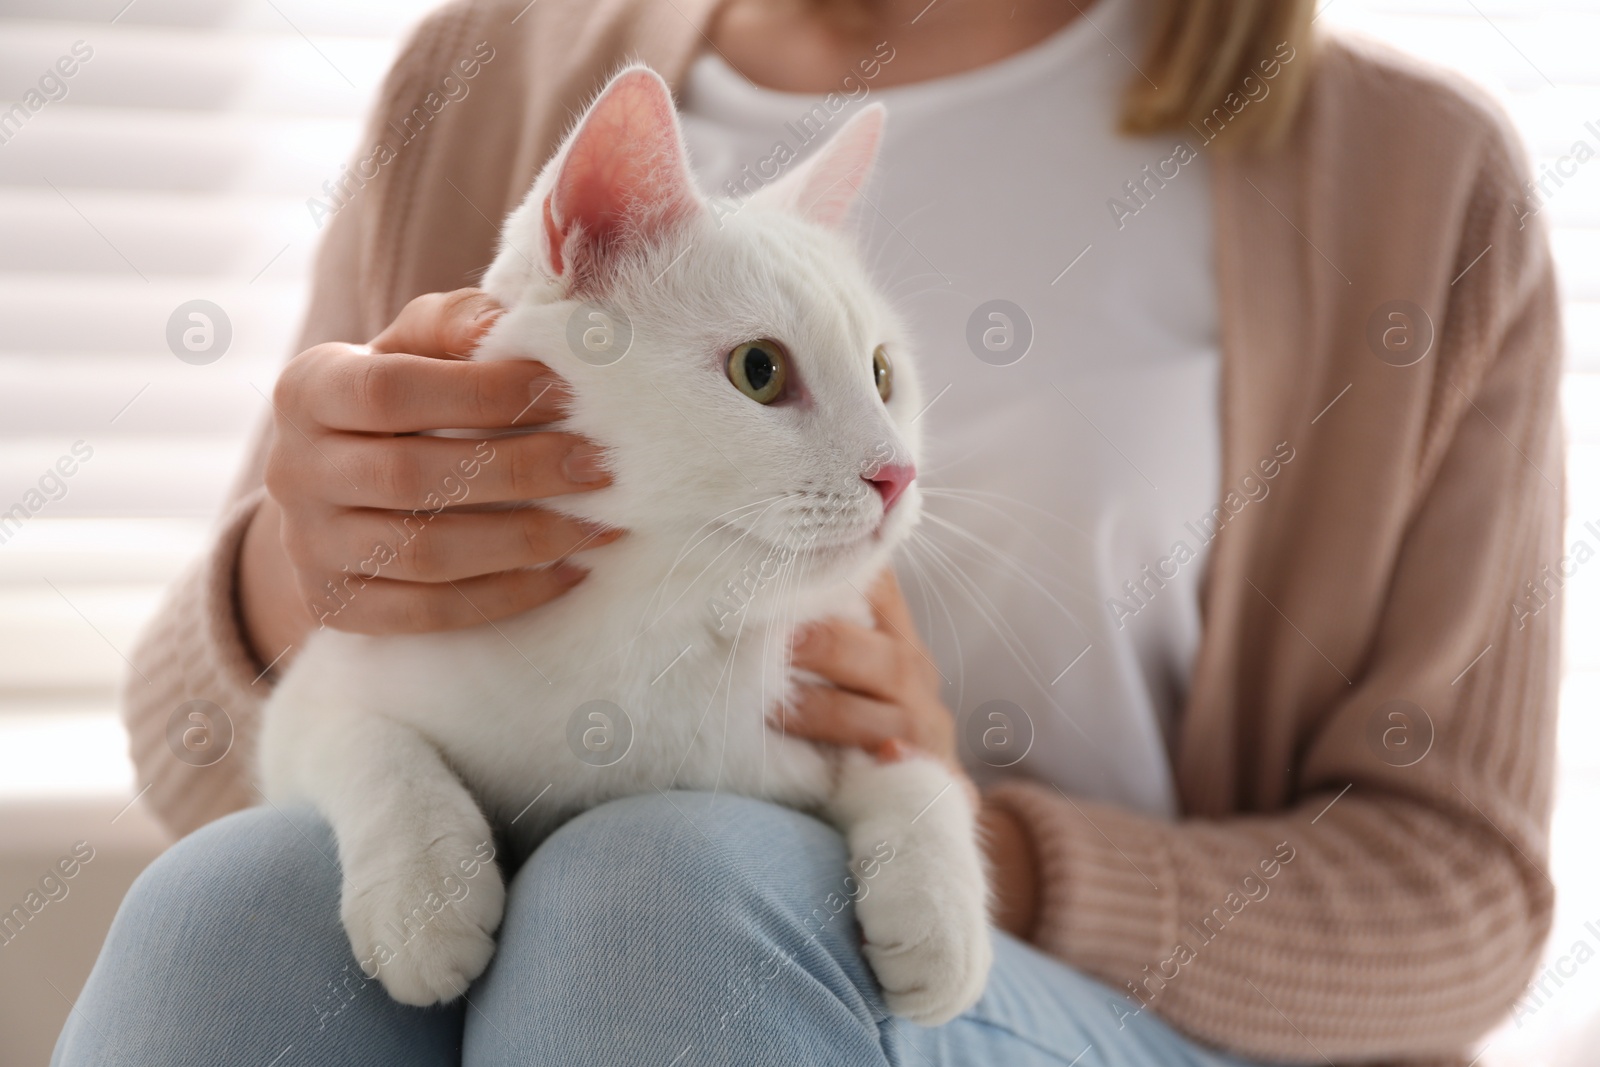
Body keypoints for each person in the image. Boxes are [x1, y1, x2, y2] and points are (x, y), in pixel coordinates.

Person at [54, 0, 1564, 1063]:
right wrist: (300, 571)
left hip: (1072, 1011)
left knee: (657, 896)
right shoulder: (488, 70)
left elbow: (1466, 905)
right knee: (229, 907)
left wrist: (979, 849)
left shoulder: (1408, 178)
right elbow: (201, 762)